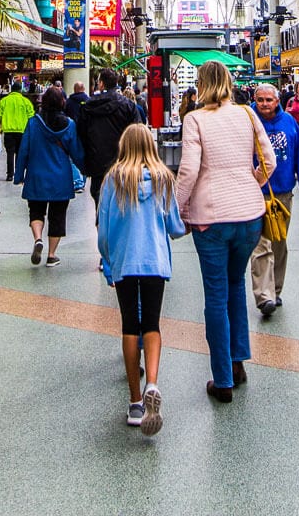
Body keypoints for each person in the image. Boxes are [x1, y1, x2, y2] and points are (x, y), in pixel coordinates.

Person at [175, 60, 276, 403]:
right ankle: (237, 362)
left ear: (201, 85)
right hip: (250, 216)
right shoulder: (247, 114)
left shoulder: (195, 119)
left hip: (211, 219)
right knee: (236, 286)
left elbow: (188, 170)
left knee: (216, 296)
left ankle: (222, 380)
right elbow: (269, 160)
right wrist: (250, 184)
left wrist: (177, 208)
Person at [97, 124, 186, 434]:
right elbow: (175, 226)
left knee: (128, 326)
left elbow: (104, 229)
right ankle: (153, 382)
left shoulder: (113, 180)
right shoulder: (163, 178)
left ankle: (135, 402)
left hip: (124, 261)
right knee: (152, 324)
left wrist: (107, 262)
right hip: (155, 261)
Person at [248, 84, 299, 316]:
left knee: (278, 242)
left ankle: (275, 290)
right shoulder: (247, 120)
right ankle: (264, 296)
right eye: (260, 99)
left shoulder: (289, 123)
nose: (264, 104)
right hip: (255, 192)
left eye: (269, 99)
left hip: (283, 194)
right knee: (260, 244)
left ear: (277, 101)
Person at [13, 85, 85, 267]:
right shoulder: (69, 125)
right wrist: (86, 169)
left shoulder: (33, 123)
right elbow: (76, 151)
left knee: (36, 211)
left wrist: (18, 174)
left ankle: (38, 239)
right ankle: (52, 255)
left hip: (36, 175)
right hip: (61, 178)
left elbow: (23, 151)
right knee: (58, 215)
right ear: (62, 102)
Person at [75, 66, 140, 213]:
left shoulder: (88, 107)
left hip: (97, 163)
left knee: (100, 203)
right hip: (123, 163)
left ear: (101, 84)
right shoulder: (128, 106)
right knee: (123, 203)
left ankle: (102, 232)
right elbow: (138, 132)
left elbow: (80, 133)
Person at [0, 81, 35, 181]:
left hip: (8, 131)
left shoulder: (4, 101)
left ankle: (9, 174)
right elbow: (31, 117)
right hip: (22, 131)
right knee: (19, 153)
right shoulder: (26, 102)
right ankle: (18, 173)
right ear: (20, 90)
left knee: (10, 153)